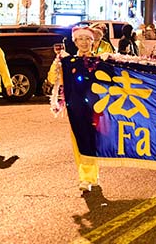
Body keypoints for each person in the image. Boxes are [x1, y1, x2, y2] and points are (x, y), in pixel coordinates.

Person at [47, 26, 100, 191]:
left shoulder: (100, 61)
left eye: (87, 39)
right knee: (78, 140)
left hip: (95, 106)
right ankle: (90, 175)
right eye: (80, 39)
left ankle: (87, 177)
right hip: (75, 106)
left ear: (93, 42)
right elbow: (52, 79)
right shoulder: (68, 62)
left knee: (90, 140)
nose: (84, 43)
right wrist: (57, 65)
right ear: (75, 42)